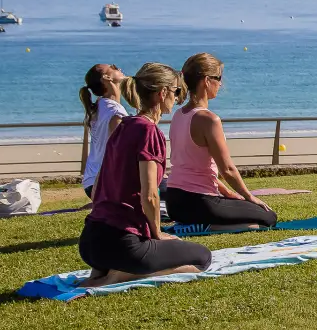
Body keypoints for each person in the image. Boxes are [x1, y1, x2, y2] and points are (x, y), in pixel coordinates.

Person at [77, 63, 212, 287]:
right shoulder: (149, 131)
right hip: (123, 244)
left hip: (91, 243)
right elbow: (149, 194)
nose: (178, 98)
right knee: (202, 257)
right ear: (162, 94)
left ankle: (101, 272)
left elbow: (101, 180)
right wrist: (157, 233)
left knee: (172, 247)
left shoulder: (124, 125)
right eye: (176, 92)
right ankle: (117, 276)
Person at [163, 53, 277, 228]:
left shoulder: (179, 115)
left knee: (246, 209)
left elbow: (194, 167)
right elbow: (227, 169)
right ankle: (204, 226)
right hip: (200, 202)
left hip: (174, 202)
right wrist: (249, 196)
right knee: (268, 217)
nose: (221, 83)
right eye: (219, 78)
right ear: (207, 81)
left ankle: (196, 223)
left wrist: (228, 193)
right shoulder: (209, 119)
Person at [79, 64, 131, 199]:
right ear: (106, 78)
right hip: (104, 183)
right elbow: (118, 152)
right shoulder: (115, 112)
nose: (119, 68)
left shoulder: (100, 105)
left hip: (92, 181)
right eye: (114, 67)